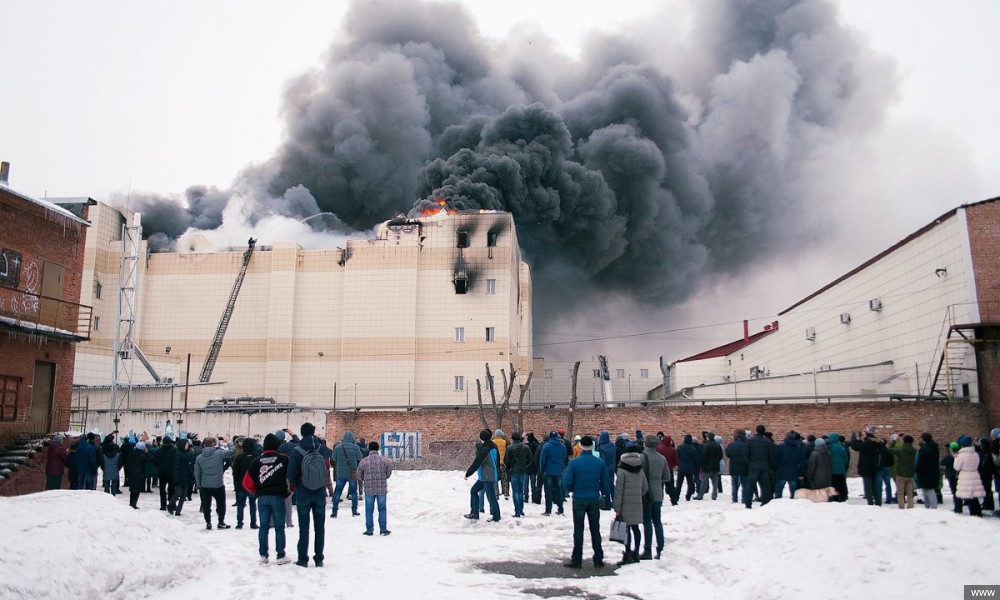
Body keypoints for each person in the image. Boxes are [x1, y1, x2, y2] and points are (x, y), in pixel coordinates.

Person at [288, 422, 334, 567]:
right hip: (320, 491)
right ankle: (319, 558)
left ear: (301, 433)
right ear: (314, 432)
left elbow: (290, 472)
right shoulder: (321, 448)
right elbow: (330, 455)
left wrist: (294, 485)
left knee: (304, 528)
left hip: (303, 492)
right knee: (320, 527)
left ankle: (303, 558)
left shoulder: (297, 450)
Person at [243, 433, 291, 564]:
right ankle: (281, 555)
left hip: (262, 497)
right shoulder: (283, 459)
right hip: (278, 496)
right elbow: (292, 474)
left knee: (263, 526)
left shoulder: (256, 461)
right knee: (279, 526)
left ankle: (263, 555)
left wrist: (255, 490)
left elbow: (246, 482)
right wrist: (290, 489)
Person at [562, 435, 607, 569]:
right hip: (593, 497)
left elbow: (567, 481)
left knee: (578, 530)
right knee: (595, 529)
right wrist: (603, 493)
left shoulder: (574, 463)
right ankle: (598, 558)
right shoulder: (599, 462)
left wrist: (571, 489)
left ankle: (577, 559)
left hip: (579, 498)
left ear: (580, 446)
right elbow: (605, 482)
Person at [613, 445, 647, 566]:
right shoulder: (640, 469)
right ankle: (636, 552)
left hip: (624, 504)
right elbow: (645, 487)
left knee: (626, 530)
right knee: (636, 528)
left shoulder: (621, 470)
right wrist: (638, 495)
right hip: (637, 503)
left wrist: (616, 507)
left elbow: (619, 490)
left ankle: (627, 554)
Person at [195, 436, 235, 529]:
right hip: (218, 484)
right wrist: (229, 443)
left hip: (205, 485)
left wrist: (198, 484)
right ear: (214, 444)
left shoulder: (199, 457)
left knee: (206, 505)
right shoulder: (219, 453)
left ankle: (208, 523)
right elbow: (232, 452)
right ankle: (221, 522)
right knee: (221, 504)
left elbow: (197, 472)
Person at [640, 434, 670, 560]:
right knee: (657, 521)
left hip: (646, 493)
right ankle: (661, 548)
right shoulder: (662, 458)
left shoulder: (642, 457)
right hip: (658, 493)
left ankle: (647, 550)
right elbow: (667, 476)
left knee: (647, 521)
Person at [356, 440, 393, 536]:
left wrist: (365, 479)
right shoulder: (384, 460)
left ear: (369, 449)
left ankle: (369, 529)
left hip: (369, 489)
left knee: (369, 509)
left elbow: (358, 474)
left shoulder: (364, 461)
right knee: (382, 509)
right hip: (381, 488)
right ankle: (383, 529)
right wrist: (383, 477)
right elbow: (389, 472)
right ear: (378, 449)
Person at [464, 429, 501, 521]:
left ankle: (496, 516)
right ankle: (474, 513)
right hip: (486, 476)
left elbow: (477, 463)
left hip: (487, 476)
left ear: (482, 438)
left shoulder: (486, 449)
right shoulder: (493, 446)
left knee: (491, 496)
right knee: (474, 491)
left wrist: (468, 474)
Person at [331, 431, 363, 518]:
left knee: (337, 492)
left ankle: (334, 511)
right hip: (352, 472)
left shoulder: (338, 447)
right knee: (354, 492)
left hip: (341, 473)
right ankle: (354, 510)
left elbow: (333, 458)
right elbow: (360, 457)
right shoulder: (355, 447)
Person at [538, 430, 567, 516]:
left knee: (548, 490)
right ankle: (560, 508)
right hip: (558, 471)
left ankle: (548, 509)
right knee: (558, 490)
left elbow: (542, 459)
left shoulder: (546, 446)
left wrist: (542, 469)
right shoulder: (562, 446)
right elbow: (564, 457)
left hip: (548, 471)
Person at [954, 435, 985, 516]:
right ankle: (978, 512)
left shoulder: (961, 455)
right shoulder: (975, 454)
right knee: (974, 496)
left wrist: (955, 458)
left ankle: (973, 514)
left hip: (965, 476)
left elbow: (957, 467)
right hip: (975, 475)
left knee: (968, 496)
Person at [744, 425, 774, 508]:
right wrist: (768, 464)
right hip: (764, 466)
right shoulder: (768, 442)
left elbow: (746, 454)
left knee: (751, 485)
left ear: (756, 431)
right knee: (765, 486)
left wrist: (750, 462)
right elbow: (771, 456)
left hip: (753, 466)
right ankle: (764, 502)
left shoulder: (750, 441)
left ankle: (748, 503)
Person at [504, 432, 532, 518]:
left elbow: (506, 460)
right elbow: (530, 459)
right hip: (522, 471)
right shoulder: (526, 447)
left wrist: (508, 468)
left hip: (513, 471)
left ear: (512, 438)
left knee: (515, 491)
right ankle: (521, 509)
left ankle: (517, 511)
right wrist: (525, 466)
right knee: (521, 490)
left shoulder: (509, 448)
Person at [850, 428, 882, 506]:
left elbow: (856, 447)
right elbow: (862, 446)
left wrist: (853, 438)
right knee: (875, 485)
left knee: (868, 486)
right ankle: (878, 501)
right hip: (874, 466)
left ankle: (870, 502)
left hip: (866, 467)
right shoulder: (875, 442)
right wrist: (859, 440)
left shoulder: (868, 443)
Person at [232, 437, 258, 529]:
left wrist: (236, 481)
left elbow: (235, 471)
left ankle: (239, 523)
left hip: (241, 484)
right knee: (252, 504)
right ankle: (253, 523)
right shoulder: (257, 456)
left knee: (240, 504)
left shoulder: (240, 457)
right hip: (253, 485)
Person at [276, 429, 298, 528]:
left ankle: (274, 521)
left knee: (275, 499)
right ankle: (288, 521)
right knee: (287, 500)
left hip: (276, 475)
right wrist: (293, 435)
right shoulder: (290, 446)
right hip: (287, 474)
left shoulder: (275, 447)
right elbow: (299, 443)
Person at [889, 435, 917, 509]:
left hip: (900, 474)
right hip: (910, 474)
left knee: (900, 492)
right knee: (910, 493)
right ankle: (910, 506)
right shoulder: (914, 450)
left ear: (904, 441)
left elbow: (889, 449)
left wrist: (894, 441)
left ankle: (901, 507)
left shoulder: (900, 450)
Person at [914, 432, 941, 509]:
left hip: (925, 472)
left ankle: (932, 507)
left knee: (928, 490)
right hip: (934, 470)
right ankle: (929, 506)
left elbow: (921, 461)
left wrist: (917, 469)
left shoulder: (924, 449)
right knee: (927, 489)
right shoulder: (935, 447)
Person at [774, 432, 803, 499]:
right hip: (793, 471)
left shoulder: (780, 447)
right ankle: (793, 503)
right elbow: (801, 461)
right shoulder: (798, 448)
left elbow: (776, 459)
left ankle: (777, 503)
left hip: (781, 470)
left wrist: (776, 469)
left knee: (779, 491)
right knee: (793, 492)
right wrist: (801, 473)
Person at [169, 438, 193, 516]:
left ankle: (178, 511)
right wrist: (176, 479)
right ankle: (170, 505)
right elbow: (175, 467)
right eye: (186, 444)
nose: (187, 445)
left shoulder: (186, 453)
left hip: (186, 478)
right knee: (178, 493)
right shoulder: (178, 453)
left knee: (183, 496)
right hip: (179, 478)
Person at [696, 433, 723, 500]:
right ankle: (714, 496)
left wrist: (702, 464)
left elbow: (703, 456)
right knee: (715, 482)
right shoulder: (718, 445)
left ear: (708, 437)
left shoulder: (706, 445)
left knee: (704, 481)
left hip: (707, 466)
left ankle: (700, 495)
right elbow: (721, 456)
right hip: (716, 466)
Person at [725, 430, 749, 504]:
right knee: (744, 484)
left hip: (734, 466)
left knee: (734, 484)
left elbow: (728, 454)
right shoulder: (746, 445)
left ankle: (734, 498)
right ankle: (744, 498)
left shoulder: (731, 444)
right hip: (744, 466)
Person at [155, 436, 176, 511]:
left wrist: (159, 468)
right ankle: (171, 504)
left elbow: (155, 461)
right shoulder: (174, 450)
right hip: (171, 472)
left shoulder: (159, 450)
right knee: (172, 489)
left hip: (162, 473)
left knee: (162, 489)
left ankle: (163, 505)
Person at [125, 441, 149, 509]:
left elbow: (128, 463)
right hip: (139, 474)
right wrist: (147, 453)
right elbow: (148, 460)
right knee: (137, 490)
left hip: (131, 473)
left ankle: (131, 503)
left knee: (132, 489)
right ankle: (133, 504)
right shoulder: (142, 456)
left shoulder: (131, 454)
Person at [597, 431, 617, 508]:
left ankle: (607, 502)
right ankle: (614, 500)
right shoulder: (613, 445)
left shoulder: (601, 448)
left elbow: (602, 460)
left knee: (606, 486)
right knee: (611, 484)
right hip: (612, 467)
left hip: (605, 469)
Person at [677, 434, 699, 501]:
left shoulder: (680, 447)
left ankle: (677, 495)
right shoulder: (693, 448)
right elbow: (695, 459)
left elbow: (677, 456)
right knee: (690, 482)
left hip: (681, 467)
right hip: (690, 467)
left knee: (679, 483)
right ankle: (688, 496)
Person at [828, 433, 850, 502]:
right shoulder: (842, 447)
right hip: (841, 469)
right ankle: (843, 497)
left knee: (834, 484)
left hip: (833, 469)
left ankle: (836, 498)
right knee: (842, 483)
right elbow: (846, 459)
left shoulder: (830, 447)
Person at [493, 429, 510, 499]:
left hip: (495, 463)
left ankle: (496, 494)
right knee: (504, 478)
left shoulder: (492, 442)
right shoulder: (504, 442)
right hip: (503, 463)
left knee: (495, 478)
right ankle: (505, 493)